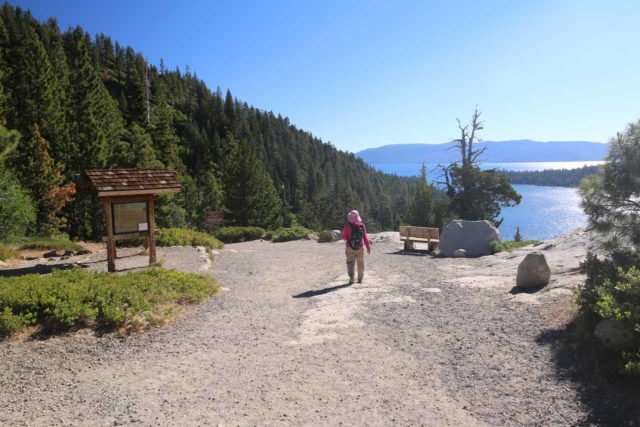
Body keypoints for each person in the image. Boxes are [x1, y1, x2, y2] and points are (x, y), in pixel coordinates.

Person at [341, 209, 371, 284]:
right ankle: (360, 278)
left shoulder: (347, 226)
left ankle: (351, 277)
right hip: (360, 247)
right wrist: (368, 247)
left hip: (349, 247)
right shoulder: (361, 225)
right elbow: (365, 237)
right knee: (360, 263)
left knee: (350, 262)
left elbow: (344, 237)